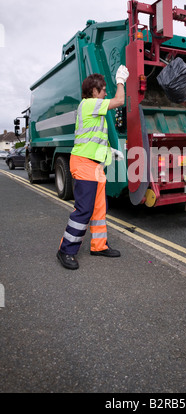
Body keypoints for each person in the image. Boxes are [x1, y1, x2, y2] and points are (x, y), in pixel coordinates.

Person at [57, 65, 129, 270]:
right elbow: (120, 101)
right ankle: (66, 251)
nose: (106, 92)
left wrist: (110, 152)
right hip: (84, 164)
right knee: (84, 210)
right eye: (103, 89)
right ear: (94, 91)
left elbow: (94, 140)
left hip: (95, 167)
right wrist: (121, 81)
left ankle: (99, 246)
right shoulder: (89, 104)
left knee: (99, 210)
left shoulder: (94, 111)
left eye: (107, 89)